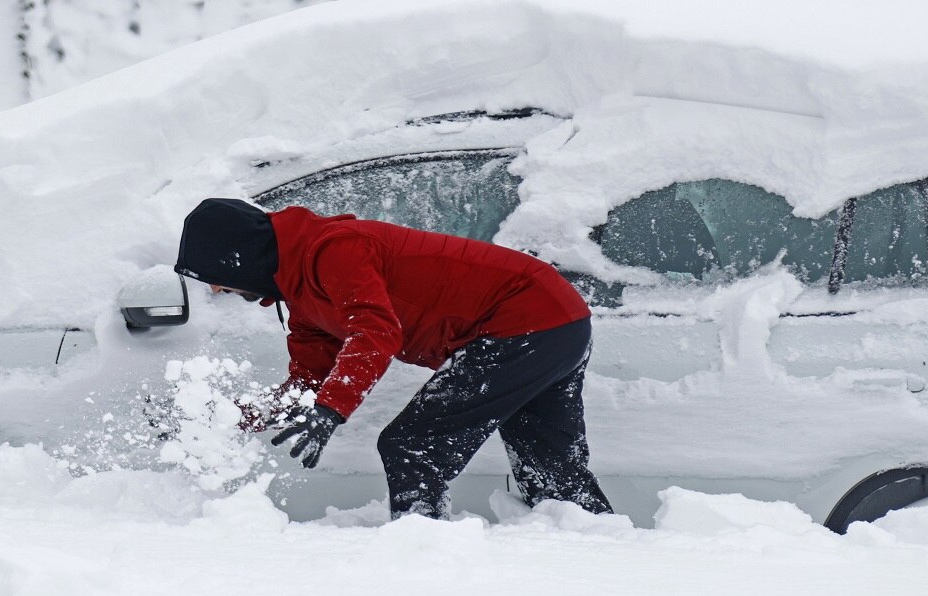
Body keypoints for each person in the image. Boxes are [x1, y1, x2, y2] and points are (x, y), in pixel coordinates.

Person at [174, 198, 611, 519]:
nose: (215, 289)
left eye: (215, 276)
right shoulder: (303, 296)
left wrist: (332, 409)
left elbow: (376, 331)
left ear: (239, 259)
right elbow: (307, 384)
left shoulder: (335, 250)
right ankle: (595, 547)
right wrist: (225, 419)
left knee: (412, 445)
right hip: (552, 320)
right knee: (550, 467)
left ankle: (420, 556)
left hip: (526, 318)